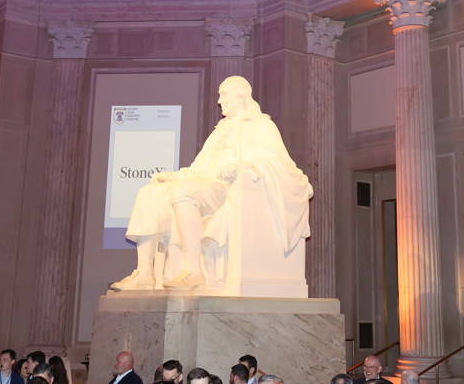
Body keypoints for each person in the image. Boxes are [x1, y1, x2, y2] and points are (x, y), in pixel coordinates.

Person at [112, 76, 313, 291]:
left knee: (183, 191)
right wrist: (175, 176)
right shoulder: (219, 131)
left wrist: (244, 167)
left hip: (232, 187)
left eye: (223, 95)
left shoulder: (260, 125)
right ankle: (144, 273)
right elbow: (198, 168)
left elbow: (275, 159)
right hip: (206, 185)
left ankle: (193, 271)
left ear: (241, 97)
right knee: (149, 193)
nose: (219, 101)